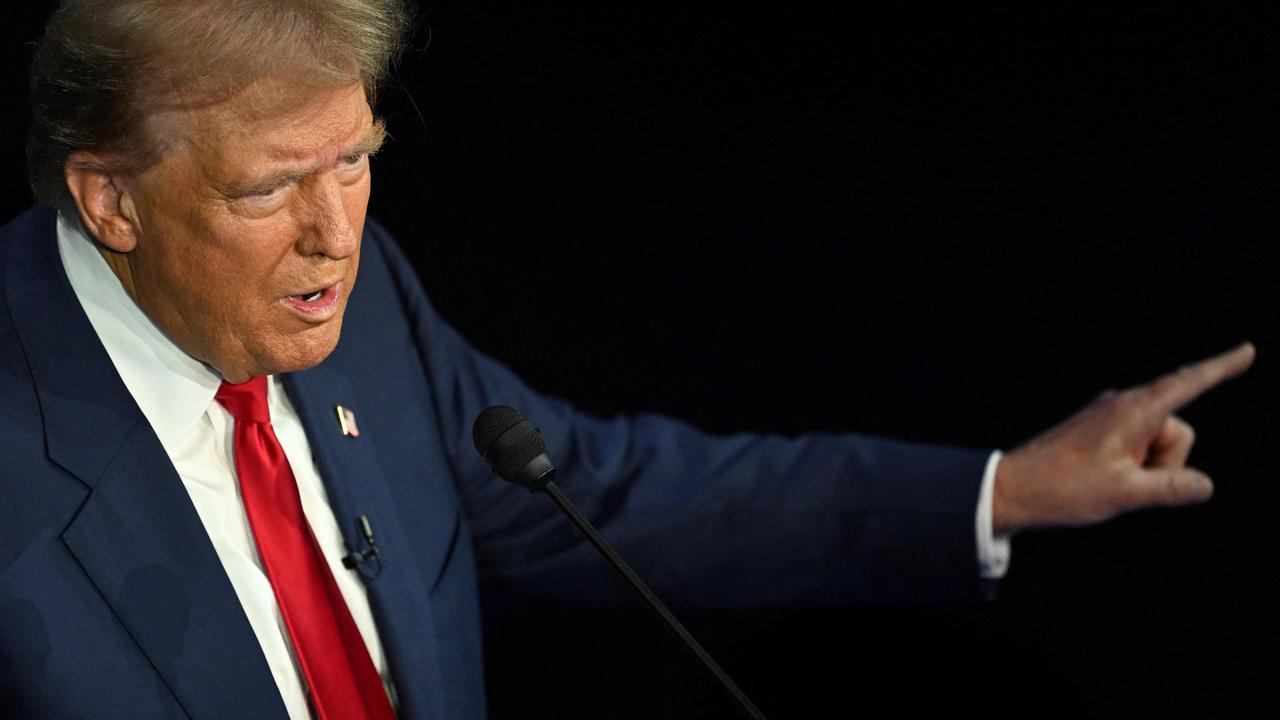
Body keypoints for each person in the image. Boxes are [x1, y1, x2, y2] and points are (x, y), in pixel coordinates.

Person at [0, 1, 1255, 719]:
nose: (337, 234)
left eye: (356, 157)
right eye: (274, 184)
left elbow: (602, 494)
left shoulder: (358, 300)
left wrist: (1000, 489)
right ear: (109, 199)